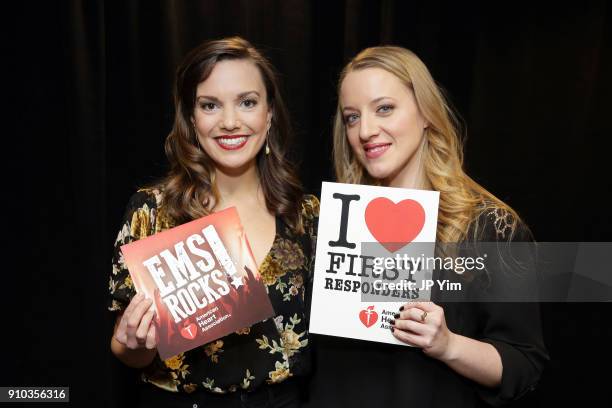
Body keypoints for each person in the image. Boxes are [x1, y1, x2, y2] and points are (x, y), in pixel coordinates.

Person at [305, 46, 548, 407]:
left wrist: (448, 345)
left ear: (425, 113)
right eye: (352, 117)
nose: (366, 130)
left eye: (384, 108)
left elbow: (523, 364)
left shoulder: (489, 226)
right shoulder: (336, 222)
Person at [108, 37, 319, 408]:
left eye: (247, 102)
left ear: (269, 113)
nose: (230, 122)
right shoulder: (152, 211)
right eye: (210, 105)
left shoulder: (306, 216)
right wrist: (133, 342)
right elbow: (129, 354)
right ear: (192, 117)